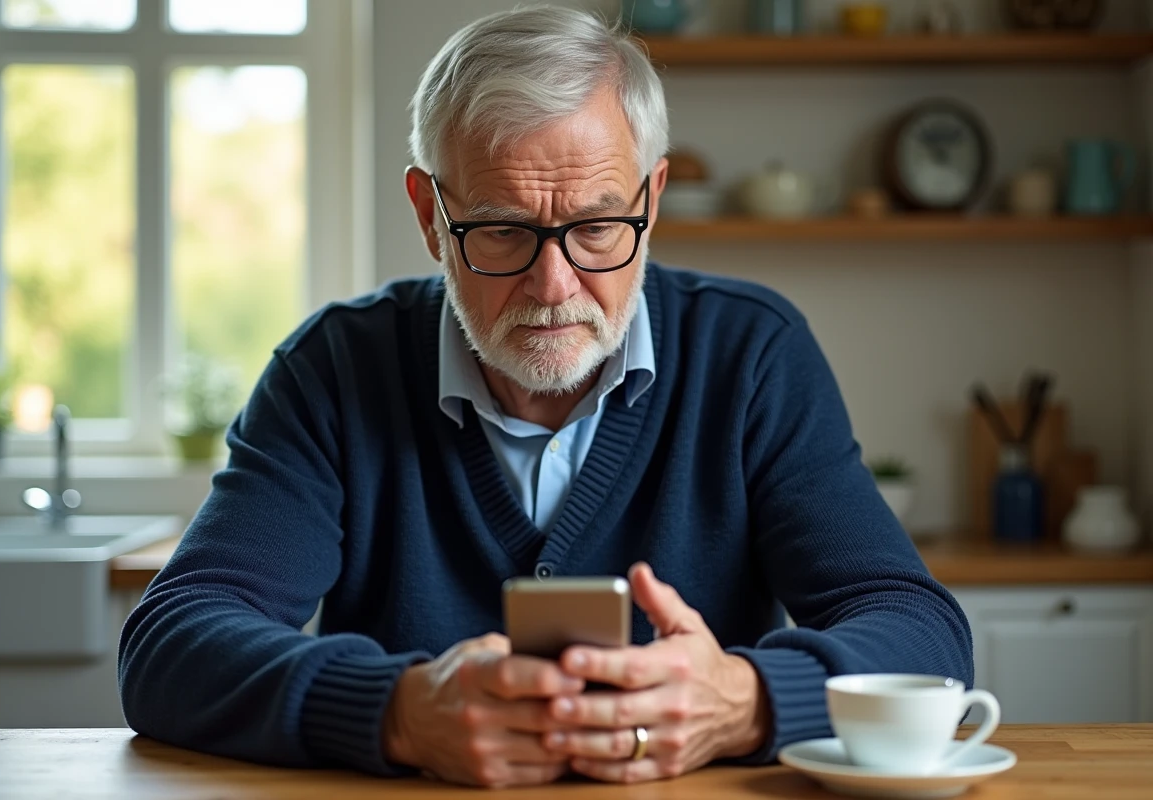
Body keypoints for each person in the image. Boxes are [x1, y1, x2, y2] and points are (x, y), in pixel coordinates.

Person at [119, 6, 972, 789]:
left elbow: (920, 631)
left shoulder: (750, 354)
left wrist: (747, 698)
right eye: (502, 230)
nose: (554, 284)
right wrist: (398, 711)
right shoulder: (334, 371)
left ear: (653, 197)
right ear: (429, 214)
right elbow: (171, 645)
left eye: (599, 226)